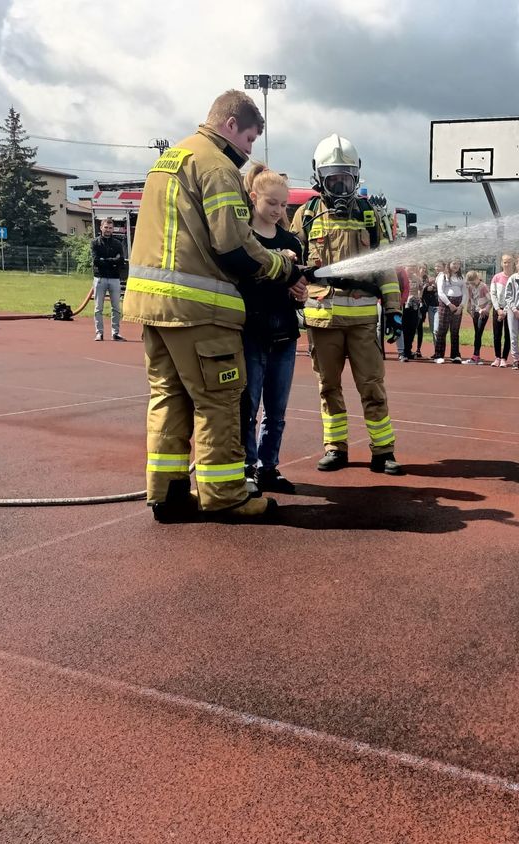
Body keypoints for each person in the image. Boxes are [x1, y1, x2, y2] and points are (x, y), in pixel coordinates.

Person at [124, 89, 303, 523]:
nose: (248, 152)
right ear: (230, 126)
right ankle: (225, 496)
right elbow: (232, 245)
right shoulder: (217, 166)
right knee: (219, 400)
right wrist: (280, 265)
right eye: (248, 140)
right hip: (200, 309)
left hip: (153, 307)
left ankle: (166, 493)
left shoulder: (171, 159)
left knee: (168, 398)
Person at [291, 133, 403, 474]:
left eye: (346, 178)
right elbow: (292, 261)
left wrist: (395, 310)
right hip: (322, 321)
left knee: (372, 386)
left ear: (357, 177)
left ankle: (383, 451)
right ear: (319, 178)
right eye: (333, 179)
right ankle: (335, 448)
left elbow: (385, 265)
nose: (341, 186)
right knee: (329, 388)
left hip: (362, 321)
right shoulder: (306, 216)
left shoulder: (371, 215)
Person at [238, 163, 304, 495]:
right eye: (272, 203)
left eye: (283, 205)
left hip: (284, 335)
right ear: (253, 198)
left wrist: (300, 290)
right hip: (250, 334)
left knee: (276, 411)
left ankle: (269, 467)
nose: (278, 211)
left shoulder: (292, 240)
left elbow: (297, 292)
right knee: (248, 407)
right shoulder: (242, 238)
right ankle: (247, 469)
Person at [91, 217, 126, 341]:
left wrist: (105, 260)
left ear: (113, 229)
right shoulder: (95, 243)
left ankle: (115, 333)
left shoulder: (117, 243)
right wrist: (112, 261)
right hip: (99, 278)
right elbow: (96, 261)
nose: (108, 230)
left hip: (114, 279)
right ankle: (99, 333)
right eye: (106, 227)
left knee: (116, 308)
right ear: (101, 227)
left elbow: (121, 261)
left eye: (110, 228)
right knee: (98, 308)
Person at [433, 259, 465, 364]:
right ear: (449, 264)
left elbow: (465, 293)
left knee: (455, 332)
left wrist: (461, 306)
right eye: (454, 263)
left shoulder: (461, 277)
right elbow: (440, 292)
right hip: (446, 304)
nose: (456, 265)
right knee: (442, 330)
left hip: (458, 304)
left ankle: (455, 355)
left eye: (458, 263)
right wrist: (449, 304)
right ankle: (439, 355)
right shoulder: (443, 276)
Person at [488, 254, 514, 366]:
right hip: (497, 309)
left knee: (508, 334)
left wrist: (506, 310)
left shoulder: (514, 277)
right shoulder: (496, 277)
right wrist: (498, 309)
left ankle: (504, 358)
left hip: (510, 310)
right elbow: (492, 294)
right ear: (501, 263)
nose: (507, 264)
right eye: (505, 262)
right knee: (497, 334)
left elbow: (514, 296)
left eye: (509, 262)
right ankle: (497, 357)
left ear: (513, 263)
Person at [465, 269, 490, 364]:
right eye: (469, 283)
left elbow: (490, 300)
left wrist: (485, 309)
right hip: (475, 312)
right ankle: (477, 355)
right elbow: (471, 299)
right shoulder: (470, 287)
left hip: (483, 313)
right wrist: (468, 306)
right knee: (476, 333)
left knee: (478, 333)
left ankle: (475, 356)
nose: (471, 284)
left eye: (472, 282)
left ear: (477, 278)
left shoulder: (483, 287)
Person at [401, 264, 424, 361]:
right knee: (404, 328)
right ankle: (403, 352)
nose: (411, 268)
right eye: (409, 266)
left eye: (414, 266)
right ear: (405, 267)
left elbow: (421, 289)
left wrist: (419, 297)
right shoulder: (401, 277)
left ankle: (408, 350)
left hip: (414, 306)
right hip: (404, 305)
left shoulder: (417, 278)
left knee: (412, 328)